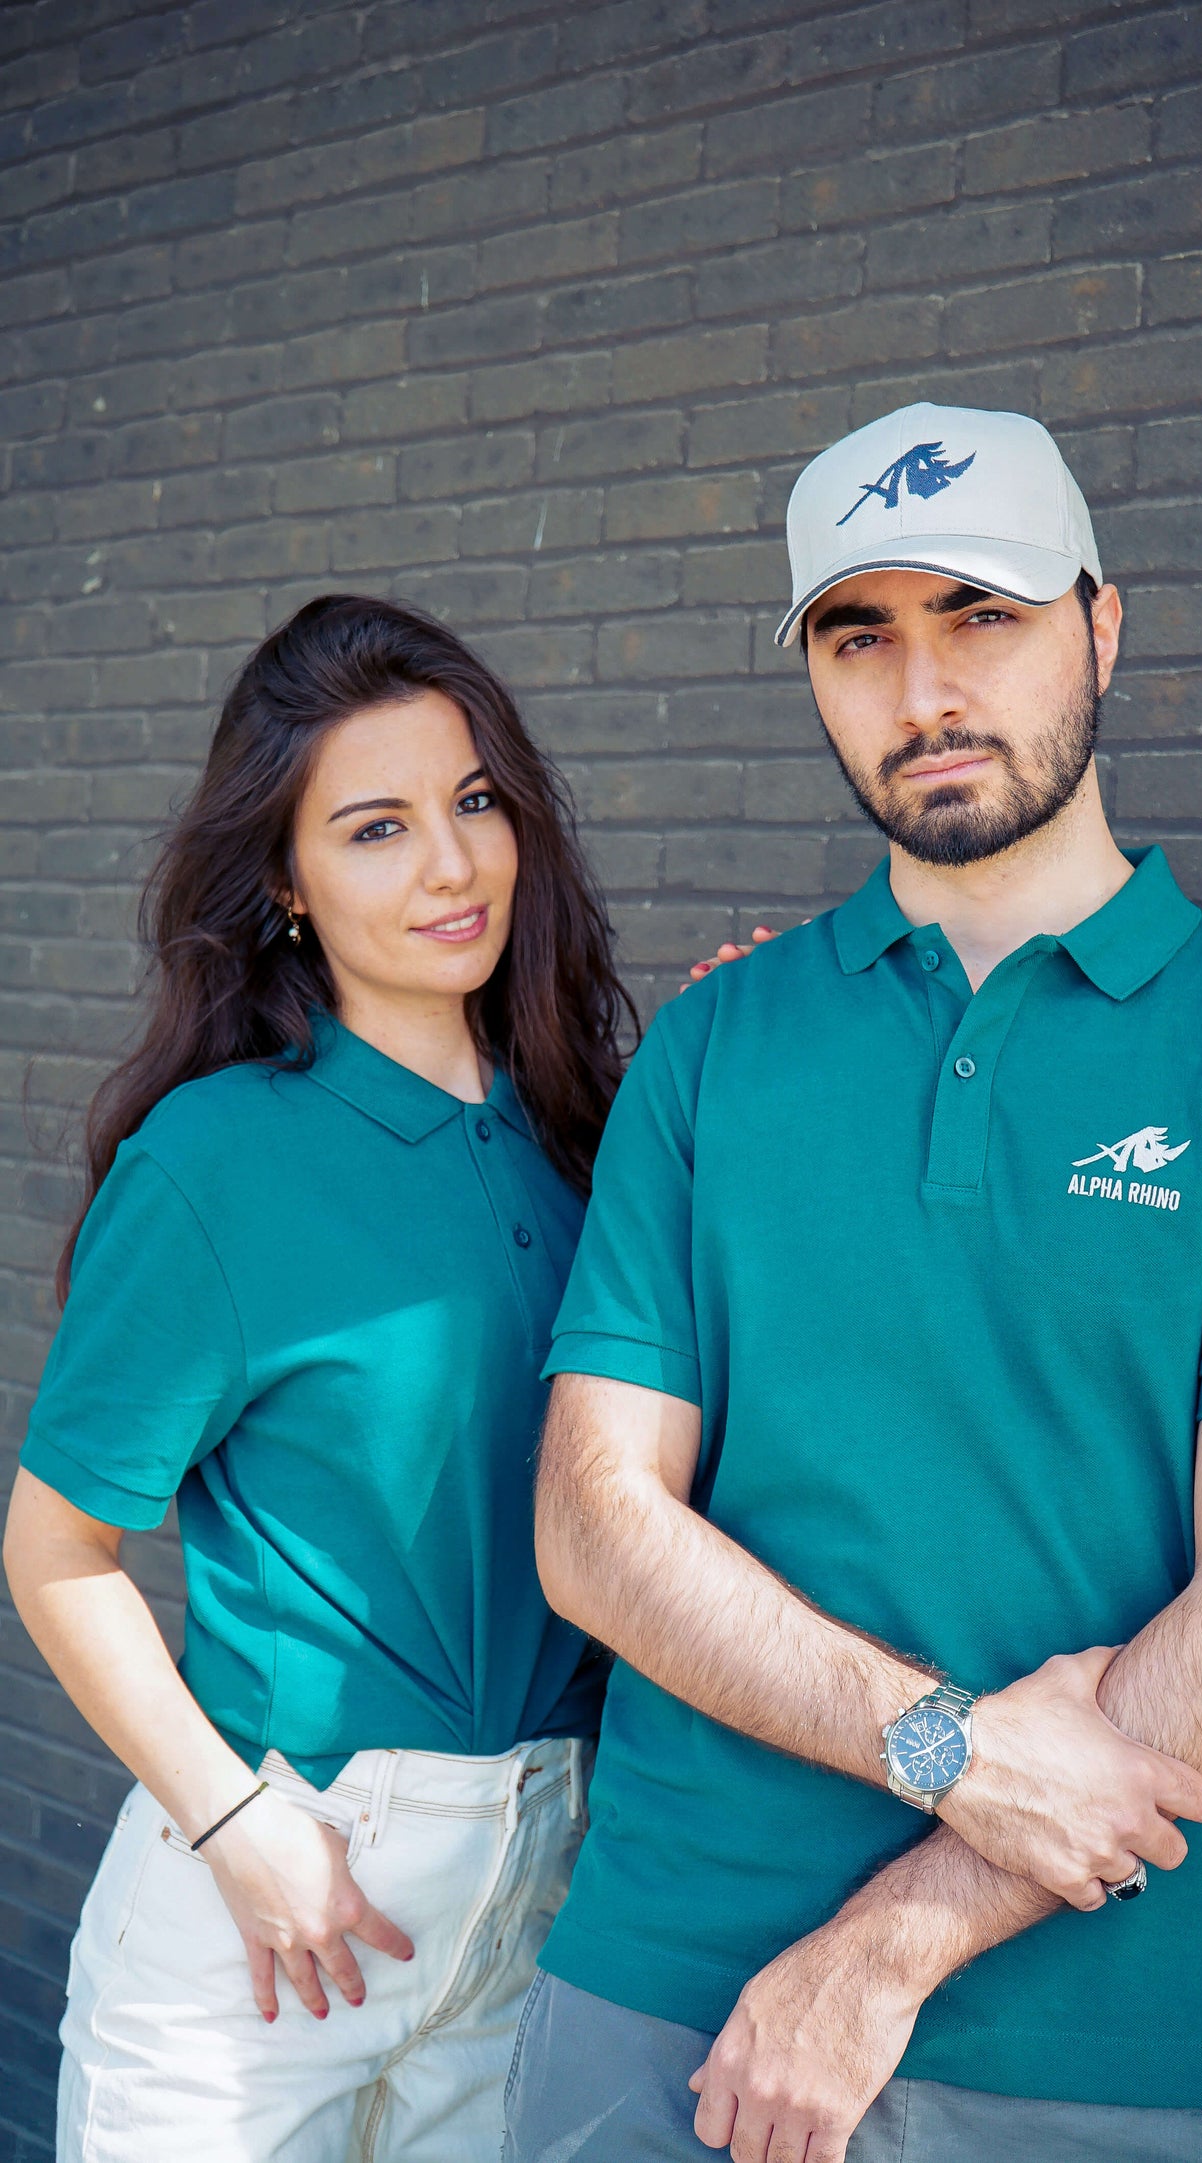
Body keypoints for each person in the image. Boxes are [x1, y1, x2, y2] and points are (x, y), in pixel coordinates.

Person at [502, 404, 1202, 2163]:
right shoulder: (711, 1048)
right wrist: (951, 1749)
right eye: (861, 636)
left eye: (977, 615)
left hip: (1091, 2028)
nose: (921, 687)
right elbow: (594, 1524)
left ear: (1100, 622)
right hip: (659, 1990)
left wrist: (886, 1944)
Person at [4, 594, 713, 2162]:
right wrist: (239, 1828)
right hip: (267, 1912)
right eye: (376, 828)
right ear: (286, 884)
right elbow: (54, 1553)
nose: (452, 867)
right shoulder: (219, 1160)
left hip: (537, 1896)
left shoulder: (585, 1129)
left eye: (471, 804)